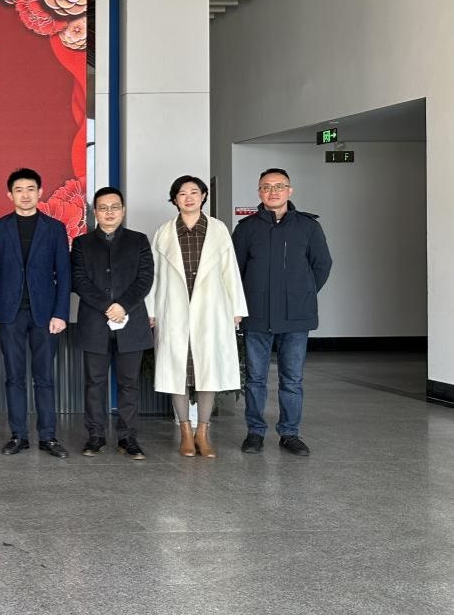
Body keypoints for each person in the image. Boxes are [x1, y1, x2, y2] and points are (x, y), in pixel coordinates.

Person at [232, 168, 333, 456]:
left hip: (296, 316)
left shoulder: (308, 227)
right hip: (256, 315)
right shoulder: (246, 228)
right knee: (255, 379)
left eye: (279, 186)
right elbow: (235, 272)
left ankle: (290, 433)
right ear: (259, 192)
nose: (272, 191)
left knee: (292, 379)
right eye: (266, 187)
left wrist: (302, 293)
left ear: (290, 191)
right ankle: (255, 432)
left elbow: (322, 265)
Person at [147, 175, 248, 458]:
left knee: (208, 371)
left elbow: (230, 270)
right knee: (176, 371)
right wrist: (151, 310)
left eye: (194, 192)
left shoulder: (218, 229)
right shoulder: (164, 232)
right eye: (182, 193)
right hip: (174, 310)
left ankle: (202, 433)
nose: (189, 197)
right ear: (174, 199)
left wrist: (236, 309)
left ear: (203, 196)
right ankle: (185, 432)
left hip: (211, 310)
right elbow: (153, 275)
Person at [0, 168, 72, 458]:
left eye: (31, 189)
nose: (25, 194)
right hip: (9, 313)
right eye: (19, 190)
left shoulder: (54, 228)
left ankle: (48, 437)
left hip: (45, 315)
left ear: (40, 192)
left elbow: (64, 275)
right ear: (9, 195)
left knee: (44, 377)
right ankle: (18, 436)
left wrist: (61, 313)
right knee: (14, 377)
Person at [70, 187, 154, 460]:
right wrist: (107, 307)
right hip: (94, 322)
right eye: (103, 208)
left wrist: (123, 306)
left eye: (114, 207)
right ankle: (95, 436)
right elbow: (79, 280)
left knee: (129, 383)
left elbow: (145, 279)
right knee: (94, 383)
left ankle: (128, 438)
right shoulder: (82, 244)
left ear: (123, 210)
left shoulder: (138, 241)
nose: (109, 212)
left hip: (131, 322)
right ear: (95, 212)